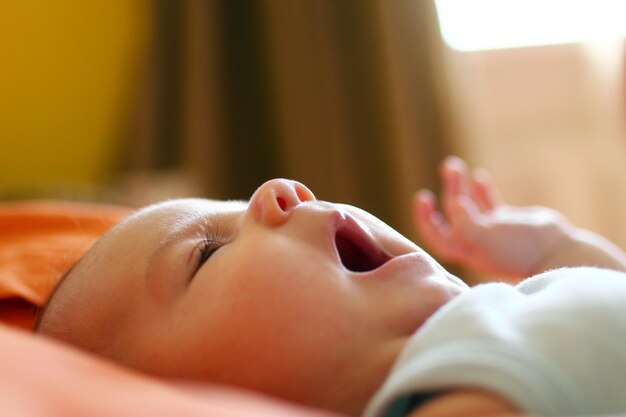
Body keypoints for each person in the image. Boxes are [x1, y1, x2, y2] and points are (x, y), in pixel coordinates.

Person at [34, 157, 626, 417]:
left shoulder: (491, 319)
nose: (282, 189)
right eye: (207, 255)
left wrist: (560, 251)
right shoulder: (454, 386)